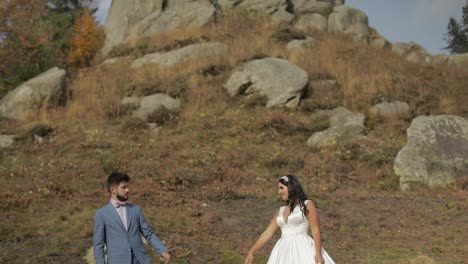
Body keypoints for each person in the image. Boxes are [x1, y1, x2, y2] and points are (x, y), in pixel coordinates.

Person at [244, 175, 335, 264]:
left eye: (282, 188)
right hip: (282, 251)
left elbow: (315, 231)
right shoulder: (280, 211)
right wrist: (252, 251)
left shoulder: (307, 205)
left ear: (291, 187)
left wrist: (318, 253)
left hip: (302, 249)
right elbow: (268, 232)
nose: (279, 192)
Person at [93, 172, 171, 264]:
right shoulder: (101, 214)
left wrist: (162, 250)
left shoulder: (136, 210)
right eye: (124, 187)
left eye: (128, 187)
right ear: (113, 190)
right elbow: (98, 245)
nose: (127, 190)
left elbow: (148, 233)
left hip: (140, 260)